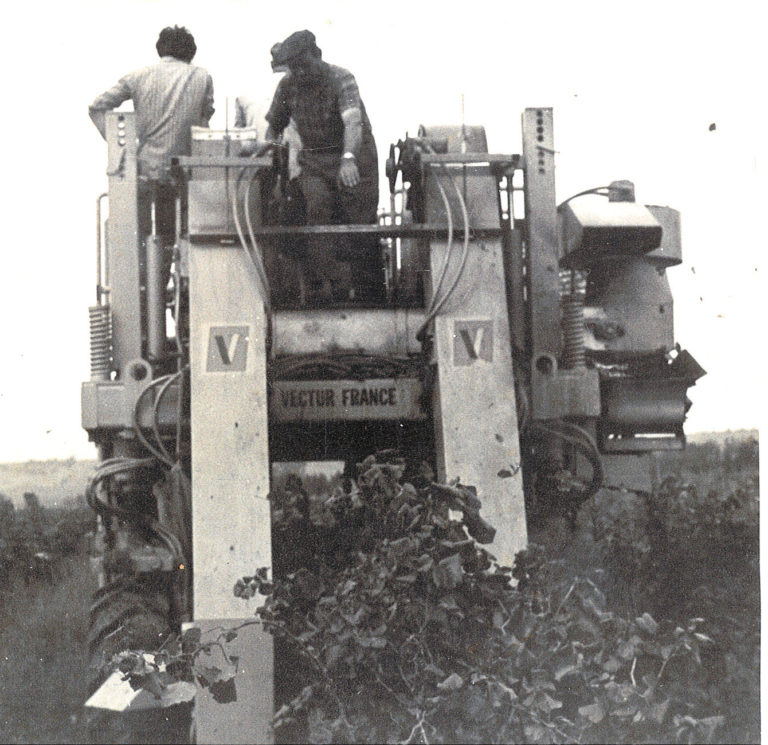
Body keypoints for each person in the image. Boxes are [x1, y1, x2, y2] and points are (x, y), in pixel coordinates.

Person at [263, 29, 381, 302]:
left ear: (317, 56)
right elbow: (273, 129)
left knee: (358, 220)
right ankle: (322, 292)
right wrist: (268, 152)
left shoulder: (341, 78)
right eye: (294, 67)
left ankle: (368, 295)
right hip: (315, 160)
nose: (300, 72)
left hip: (354, 154)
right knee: (316, 212)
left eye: (303, 65)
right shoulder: (287, 86)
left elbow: (353, 122)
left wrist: (348, 159)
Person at [88, 25, 215, 240]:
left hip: (143, 172)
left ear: (160, 49)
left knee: (141, 240)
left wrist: (120, 147)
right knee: (180, 240)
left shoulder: (137, 76)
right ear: (190, 52)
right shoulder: (202, 77)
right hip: (183, 175)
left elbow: (97, 107)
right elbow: (203, 128)